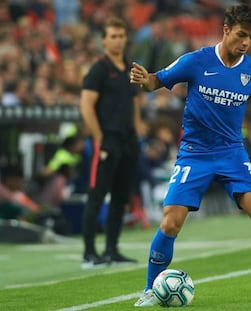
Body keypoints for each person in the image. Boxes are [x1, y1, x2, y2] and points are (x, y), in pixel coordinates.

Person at [130, 4, 251, 307]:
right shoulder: (197, 61)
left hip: (233, 153)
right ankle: (150, 290)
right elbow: (157, 80)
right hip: (194, 154)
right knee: (170, 222)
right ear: (226, 30)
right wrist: (146, 80)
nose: (246, 42)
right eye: (241, 34)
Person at [80, 17, 141, 269]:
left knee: (120, 197)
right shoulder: (99, 69)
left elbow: (135, 102)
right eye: (112, 36)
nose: (117, 40)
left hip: (128, 141)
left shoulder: (130, 68)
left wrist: (137, 133)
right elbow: (86, 105)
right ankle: (89, 253)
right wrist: (99, 138)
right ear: (104, 40)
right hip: (107, 139)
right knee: (97, 196)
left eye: (121, 35)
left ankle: (112, 249)